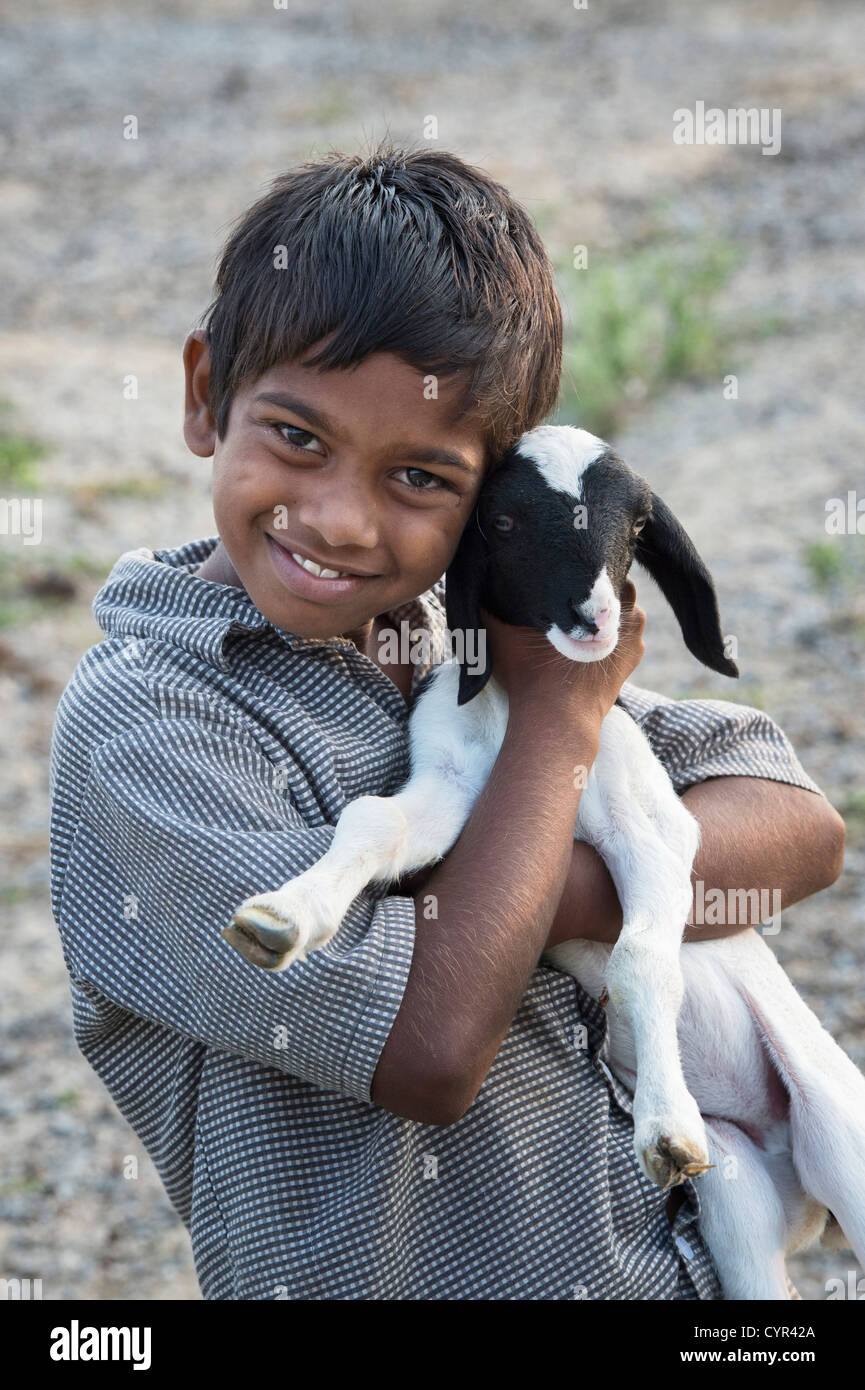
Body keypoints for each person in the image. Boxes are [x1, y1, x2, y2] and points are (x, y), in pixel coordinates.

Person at [48, 141, 844, 1300]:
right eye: (298, 438)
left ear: (492, 499)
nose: (339, 521)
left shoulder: (458, 634)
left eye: (418, 478)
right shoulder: (150, 723)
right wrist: (561, 749)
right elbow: (426, 1045)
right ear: (202, 395)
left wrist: (489, 887)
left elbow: (797, 826)